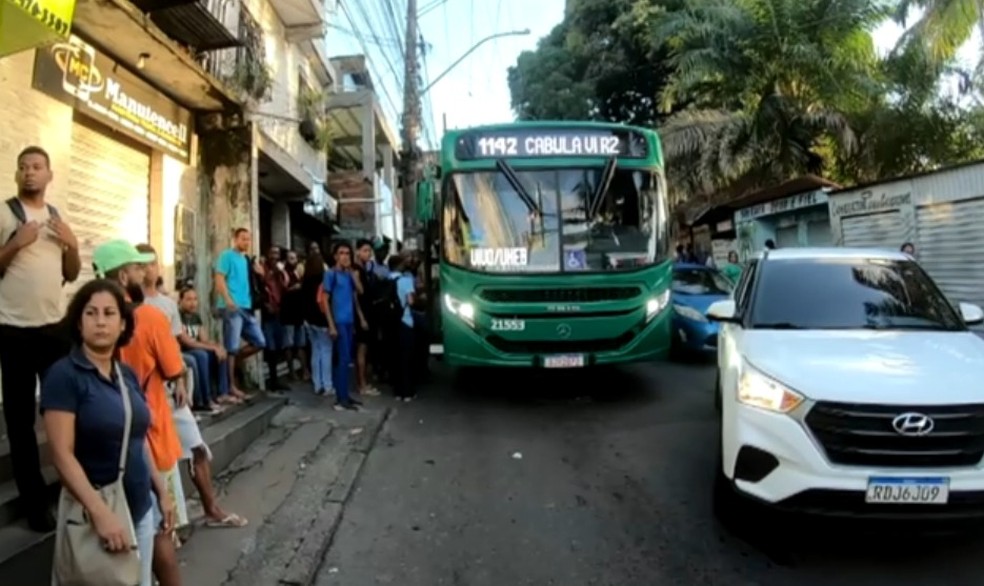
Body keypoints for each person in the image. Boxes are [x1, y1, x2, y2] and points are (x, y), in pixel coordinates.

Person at [42, 279, 179, 586]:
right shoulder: (64, 376)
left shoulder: (125, 375)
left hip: (139, 508)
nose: (100, 322)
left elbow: (136, 436)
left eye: (109, 313)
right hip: (97, 514)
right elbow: (62, 455)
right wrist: (100, 513)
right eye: (91, 314)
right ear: (79, 323)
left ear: (122, 324)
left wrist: (161, 490)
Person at [0, 146, 81, 532]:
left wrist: (74, 244)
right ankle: (35, 505)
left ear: (49, 175)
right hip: (12, 330)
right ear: (18, 175)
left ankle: (75, 491)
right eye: (23, 167)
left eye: (36, 167)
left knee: (64, 414)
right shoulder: (5, 213)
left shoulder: (56, 217)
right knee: (19, 422)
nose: (29, 173)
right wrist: (16, 243)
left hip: (53, 331)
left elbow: (70, 272)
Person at [214, 228, 265, 398]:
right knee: (232, 346)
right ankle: (230, 386)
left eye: (248, 239)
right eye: (243, 239)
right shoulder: (226, 256)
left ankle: (234, 363)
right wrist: (227, 299)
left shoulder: (247, 260)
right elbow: (219, 278)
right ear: (235, 239)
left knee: (259, 341)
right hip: (232, 307)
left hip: (247, 306)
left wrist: (260, 273)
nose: (246, 242)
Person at [323, 242, 369, 410]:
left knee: (347, 359)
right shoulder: (330, 274)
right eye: (341, 253)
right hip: (339, 322)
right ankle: (340, 398)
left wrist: (351, 271)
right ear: (335, 256)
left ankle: (345, 396)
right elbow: (325, 301)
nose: (345, 256)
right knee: (342, 360)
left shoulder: (348, 274)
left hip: (350, 321)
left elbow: (360, 291)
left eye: (347, 253)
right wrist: (331, 324)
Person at [178, 287, 235, 406]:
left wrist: (217, 347)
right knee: (202, 356)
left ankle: (222, 393)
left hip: (196, 348)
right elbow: (187, 342)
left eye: (195, 299)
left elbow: (204, 339)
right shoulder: (178, 317)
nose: (193, 303)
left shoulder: (196, 317)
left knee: (221, 352)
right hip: (184, 350)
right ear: (180, 301)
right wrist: (211, 348)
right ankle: (205, 399)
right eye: (188, 299)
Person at [302, 252, 333, 396]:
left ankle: (317, 384)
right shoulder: (323, 279)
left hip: (309, 321)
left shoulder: (305, 280)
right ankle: (327, 385)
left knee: (315, 351)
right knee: (326, 351)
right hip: (322, 320)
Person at [389, 253, 418, 401]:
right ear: (400, 265)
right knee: (407, 358)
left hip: (391, 323)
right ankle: (408, 392)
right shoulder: (406, 281)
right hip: (405, 321)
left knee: (395, 357)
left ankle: (397, 392)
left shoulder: (386, 279)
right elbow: (411, 301)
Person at [353, 239, 380, 396]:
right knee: (361, 351)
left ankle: (364, 382)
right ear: (357, 251)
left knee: (366, 350)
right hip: (362, 314)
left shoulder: (365, 269)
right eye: (365, 250)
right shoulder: (356, 269)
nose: (368, 254)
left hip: (368, 312)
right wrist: (361, 317)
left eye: (369, 251)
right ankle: (361, 384)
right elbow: (356, 295)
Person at [281, 249, 309, 380]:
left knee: (301, 345)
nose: (292, 260)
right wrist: (293, 288)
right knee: (289, 344)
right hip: (287, 313)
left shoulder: (298, 273)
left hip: (299, 313)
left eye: (294, 258)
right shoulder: (283, 273)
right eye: (290, 258)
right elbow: (282, 289)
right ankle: (291, 372)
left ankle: (304, 371)